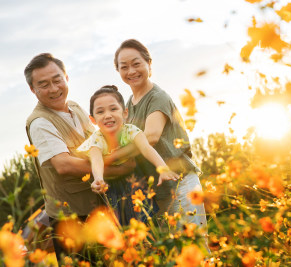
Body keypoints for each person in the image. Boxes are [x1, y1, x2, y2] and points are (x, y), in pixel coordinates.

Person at [24, 53, 136, 263]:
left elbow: (97, 142)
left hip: (98, 208)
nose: (54, 88)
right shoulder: (39, 122)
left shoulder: (75, 107)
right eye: (44, 84)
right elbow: (64, 165)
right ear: (33, 89)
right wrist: (119, 170)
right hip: (71, 219)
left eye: (57, 80)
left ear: (66, 77)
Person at [112, 39, 209, 249]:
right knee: (175, 254)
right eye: (124, 67)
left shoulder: (158, 97)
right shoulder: (129, 103)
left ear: (149, 63)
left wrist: (113, 157)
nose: (131, 71)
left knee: (195, 250)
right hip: (161, 190)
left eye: (136, 63)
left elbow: (151, 137)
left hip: (181, 182)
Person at [77, 85, 180, 225]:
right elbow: (96, 160)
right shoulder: (96, 139)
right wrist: (98, 179)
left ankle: (151, 241)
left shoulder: (131, 130)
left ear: (125, 113)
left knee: (146, 219)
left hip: (134, 178)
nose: (108, 115)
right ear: (93, 119)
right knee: (120, 223)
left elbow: (146, 148)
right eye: (100, 112)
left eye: (113, 109)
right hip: (111, 183)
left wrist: (163, 168)